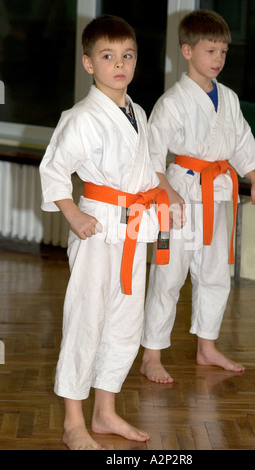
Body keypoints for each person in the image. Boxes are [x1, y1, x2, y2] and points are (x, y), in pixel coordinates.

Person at [39, 15, 169, 450]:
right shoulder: (82, 116)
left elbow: (148, 166)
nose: (120, 64)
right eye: (108, 56)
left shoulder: (138, 111)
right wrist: (73, 214)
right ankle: (73, 420)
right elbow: (55, 168)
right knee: (87, 318)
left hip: (134, 226)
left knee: (125, 321)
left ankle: (105, 410)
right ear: (89, 63)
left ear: (136, 61)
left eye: (127, 56)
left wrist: (162, 194)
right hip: (97, 227)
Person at [140, 10, 255, 384]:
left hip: (218, 191)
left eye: (223, 53)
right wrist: (167, 193)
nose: (218, 59)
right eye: (210, 51)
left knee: (215, 273)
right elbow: (153, 152)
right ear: (187, 51)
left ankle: (207, 346)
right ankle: (152, 353)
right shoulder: (173, 101)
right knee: (168, 274)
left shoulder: (228, 98)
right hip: (180, 192)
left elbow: (242, 140)